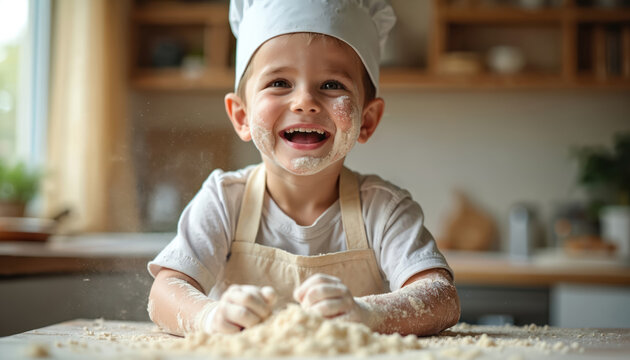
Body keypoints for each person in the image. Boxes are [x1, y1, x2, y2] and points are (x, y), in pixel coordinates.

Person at [147, 0, 460, 337]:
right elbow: (165, 292)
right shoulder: (224, 201)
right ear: (242, 116)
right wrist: (208, 318)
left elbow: (441, 298)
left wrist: (368, 314)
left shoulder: (384, 209)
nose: (305, 101)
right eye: (280, 82)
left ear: (367, 120)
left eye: (332, 85)